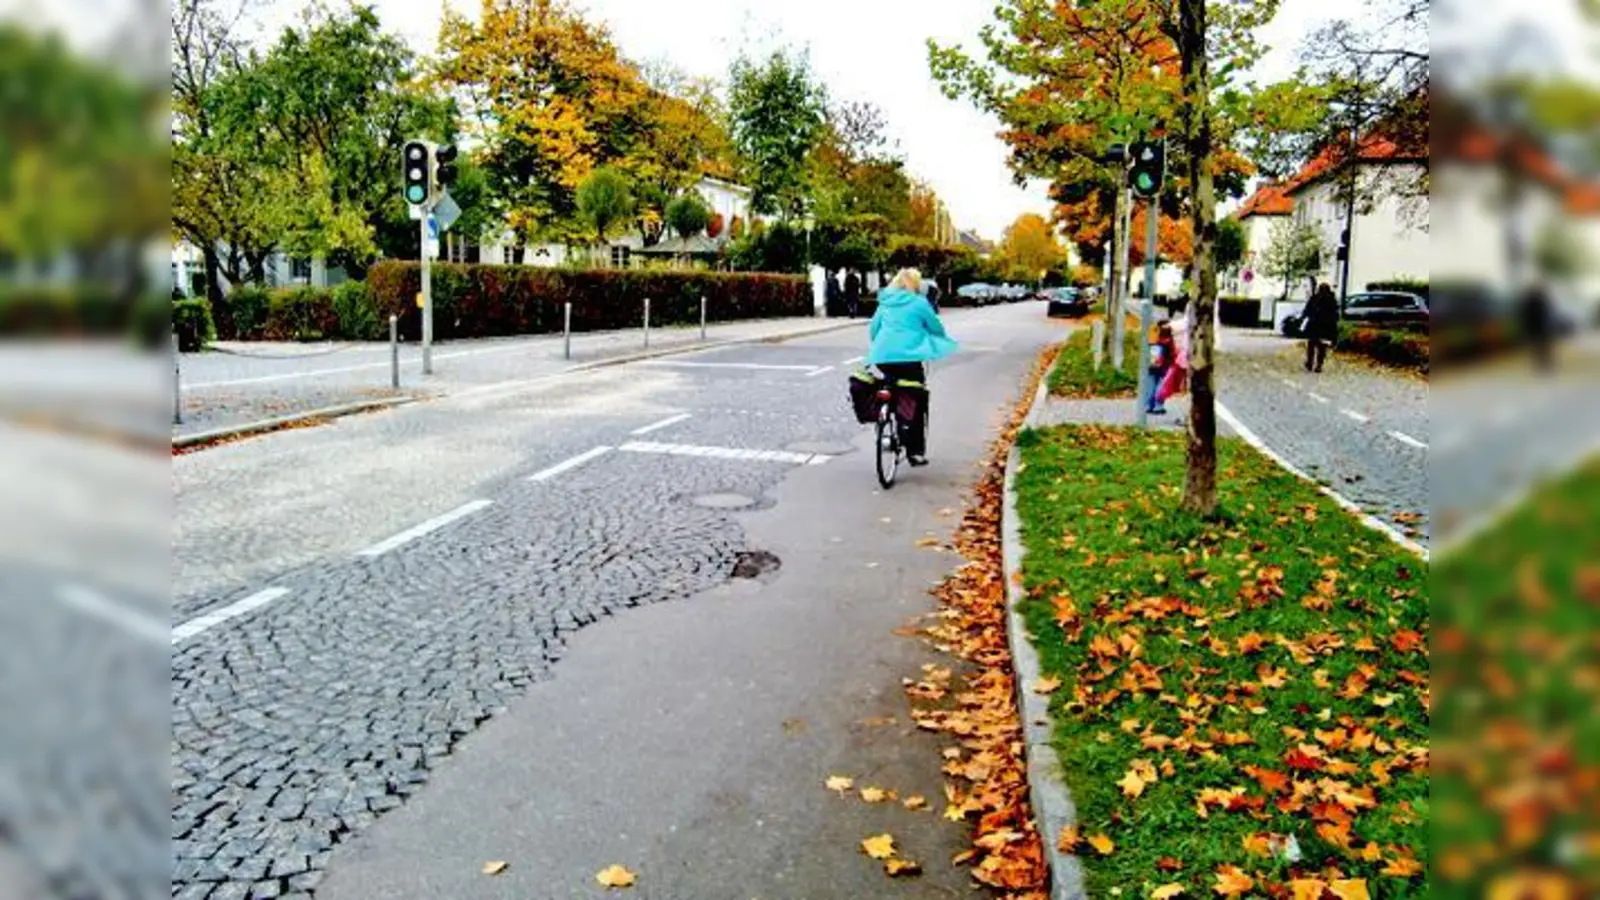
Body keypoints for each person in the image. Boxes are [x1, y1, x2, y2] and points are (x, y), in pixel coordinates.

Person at [865, 268, 958, 467]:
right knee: (916, 397)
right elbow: (935, 327)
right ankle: (915, 452)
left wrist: (880, 347)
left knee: (890, 384)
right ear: (916, 284)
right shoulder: (919, 303)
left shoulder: (885, 302)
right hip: (910, 359)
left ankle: (885, 420)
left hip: (883, 357)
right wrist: (936, 338)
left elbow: (873, 329)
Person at [1302, 282, 1340, 373]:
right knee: (1322, 346)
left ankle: (1310, 362)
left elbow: (1307, 310)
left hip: (1314, 325)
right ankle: (1319, 364)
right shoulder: (1331, 300)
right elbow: (1335, 314)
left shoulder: (1315, 298)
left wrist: (1306, 317)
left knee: (1311, 344)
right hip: (1325, 327)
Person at [1519, 281, 1556, 373]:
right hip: (1542, 327)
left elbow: (1524, 316)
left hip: (1534, 328)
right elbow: (1547, 315)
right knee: (1543, 347)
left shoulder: (1528, 302)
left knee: (1537, 347)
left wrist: (1526, 328)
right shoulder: (1541, 301)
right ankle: (1545, 364)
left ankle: (1541, 364)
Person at [1143, 321, 1177, 415]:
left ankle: (1148, 405)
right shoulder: (1168, 340)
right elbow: (1173, 353)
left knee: (1150, 385)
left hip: (1152, 364)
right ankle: (1158, 406)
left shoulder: (1153, 338)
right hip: (1164, 366)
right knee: (1161, 385)